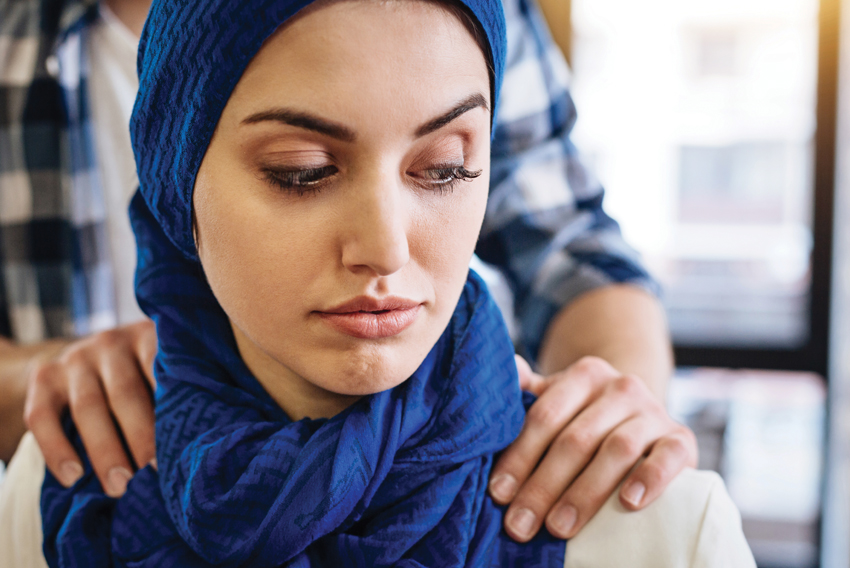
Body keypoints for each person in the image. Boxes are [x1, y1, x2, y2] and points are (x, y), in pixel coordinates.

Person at [0, 0, 756, 565]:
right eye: (301, 172)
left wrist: (601, 418)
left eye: (446, 168)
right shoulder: (56, 481)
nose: (386, 249)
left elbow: (575, 250)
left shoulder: (665, 530)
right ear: (175, 194)